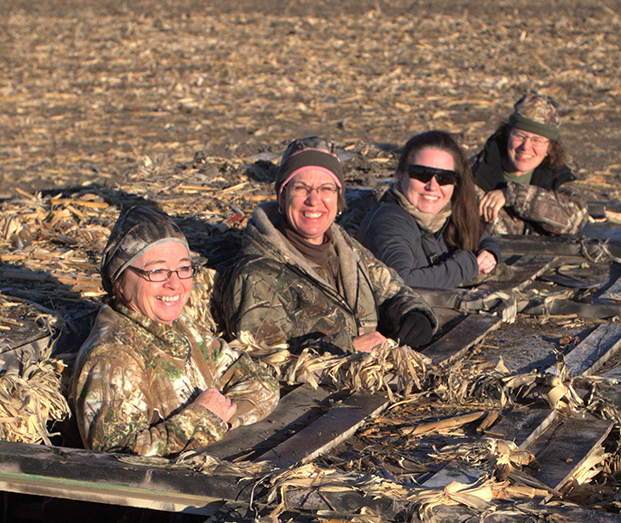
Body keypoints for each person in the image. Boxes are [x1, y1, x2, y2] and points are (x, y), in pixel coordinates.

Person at [71, 205, 279, 456]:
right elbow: (115, 461)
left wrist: (222, 419)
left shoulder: (184, 329)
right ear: (119, 282)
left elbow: (263, 382)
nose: (175, 284)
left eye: (183, 269)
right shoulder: (113, 358)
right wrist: (203, 419)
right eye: (157, 271)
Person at [217, 136, 437, 357]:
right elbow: (262, 359)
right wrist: (348, 347)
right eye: (301, 188)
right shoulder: (258, 274)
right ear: (282, 197)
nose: (314, 200)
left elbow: (393, 289)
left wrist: (415, 314)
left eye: (326, 189)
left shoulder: (345, 248)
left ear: (338, 198)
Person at [356, 130, 500, 290]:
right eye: (421, 174)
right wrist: (466, 265)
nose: (432, 186)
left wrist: (489, 252)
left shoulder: (444, 215)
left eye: (444, 178)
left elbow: (481, 237)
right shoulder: (389, 222)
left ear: (456, 183)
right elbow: (401, 283)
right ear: (400, 174)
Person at [473, 93, 589, 236]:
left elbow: (575, 219)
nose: (526, 147)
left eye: (537, 140)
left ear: (550, 147)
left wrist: (513, 195)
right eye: (520, 136)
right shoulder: (475, 173)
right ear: (507, 134)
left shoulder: (556, 175)